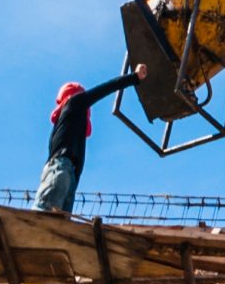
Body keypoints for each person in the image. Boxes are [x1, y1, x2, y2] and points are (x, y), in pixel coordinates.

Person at [35, 64, 146, 214]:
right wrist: (134, 77)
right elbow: (103, 90)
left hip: (66, 175)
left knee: (52, 222)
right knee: (44, 218)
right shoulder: (74, 102)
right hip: (61, 170)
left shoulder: (68, 124)